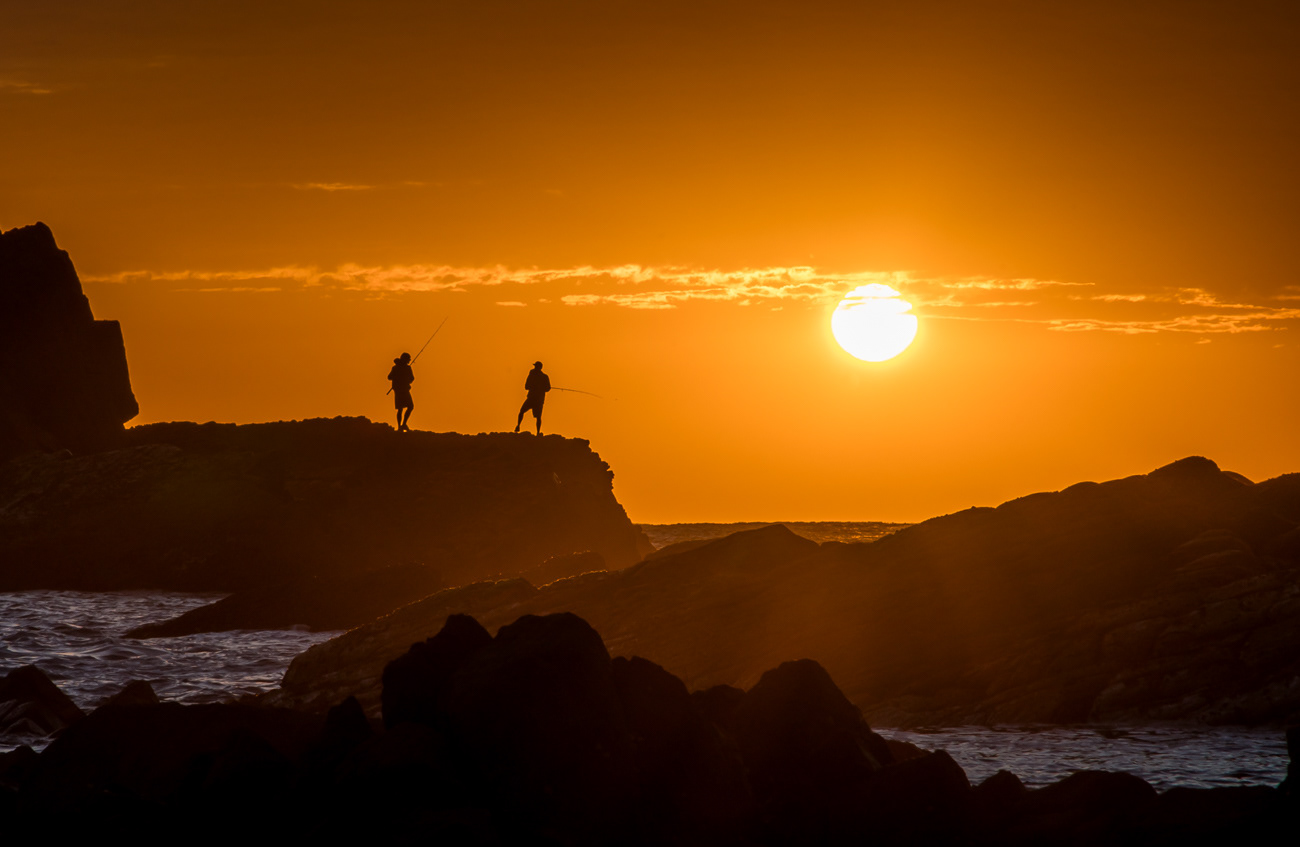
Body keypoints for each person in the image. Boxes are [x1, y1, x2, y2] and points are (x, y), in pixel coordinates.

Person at [515, 361, 551, 434]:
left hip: (537, 399)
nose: (534, 368)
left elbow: (548, 388)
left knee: (537, 416)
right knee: (522, 411)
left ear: (539, 368)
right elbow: (526, 386)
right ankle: (518, 426)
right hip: (533, 398)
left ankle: (537, 432)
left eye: (536, 367)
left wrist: (539, 387)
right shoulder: (533, 375)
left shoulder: (544, 377)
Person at [388, 352, 415, 432]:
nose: (409, 361)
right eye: (408, 359)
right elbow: (412, 379)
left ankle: (401, 426)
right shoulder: (406, 368)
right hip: (403, 391)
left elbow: (389, 377)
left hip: (399, 390)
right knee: (409, 407)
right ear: (405, 359)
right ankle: (402, 425)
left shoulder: (395, 368)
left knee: (401, 409)